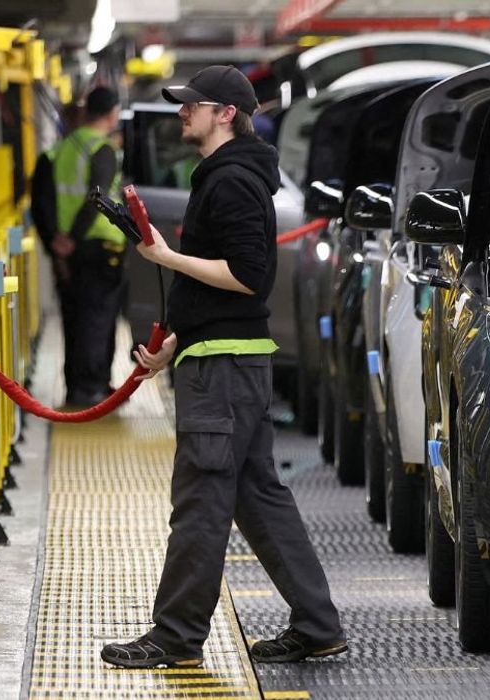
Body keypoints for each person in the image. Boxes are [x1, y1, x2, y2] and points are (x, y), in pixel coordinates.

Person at [100, 65, 346, 669]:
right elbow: (217, 290)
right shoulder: (227, 175)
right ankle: (318, 625)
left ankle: (176, 636)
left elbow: (245, 275)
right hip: (230, 358)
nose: (183, 112)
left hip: (223, 372)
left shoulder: (231, 181)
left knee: (201, 501)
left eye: (194, 104)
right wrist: (174, 343)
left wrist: (166, 256)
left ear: (226, 114)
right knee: (257, 497)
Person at [40, 87, 127, 406]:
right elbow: (98, 199)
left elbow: (46, 199)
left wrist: (57, 240)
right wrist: (74, 237)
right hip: (99, 244)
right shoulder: (102, 149)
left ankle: (77, 385)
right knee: (99, 317)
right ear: (112, 114)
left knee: (74, 316)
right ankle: (92, 388)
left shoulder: (60, 149)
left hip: (69, 248)